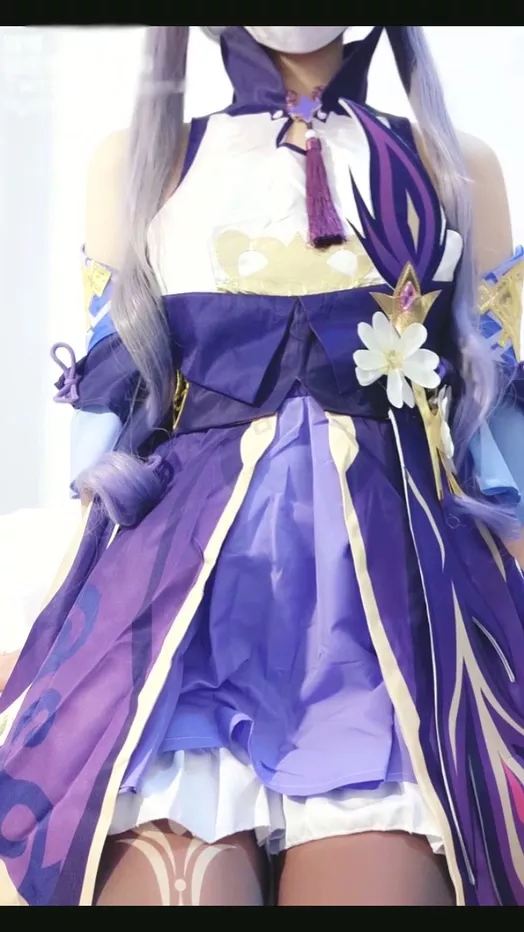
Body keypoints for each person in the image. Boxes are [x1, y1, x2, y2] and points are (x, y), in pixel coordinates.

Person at [0, 25, 523, 907]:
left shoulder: (454, 168)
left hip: (395, 643)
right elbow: (107, 446)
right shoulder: (143, 164)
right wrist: (53, 627)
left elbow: (498, 443)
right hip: (179, 637)